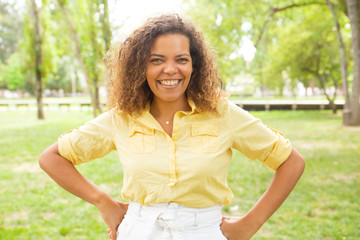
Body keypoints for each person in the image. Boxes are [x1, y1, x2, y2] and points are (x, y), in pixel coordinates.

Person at [39, 13, 305, 240]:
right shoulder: (121, 118)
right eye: (156, 60)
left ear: (194, 66)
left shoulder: (221, 113)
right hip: (138, 230)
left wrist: (249, 225)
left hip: (204, 231)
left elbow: (290, 162)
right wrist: (102, 201)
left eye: (181, 59)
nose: (170, 69)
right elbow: (52, 158)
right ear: (139, 67)